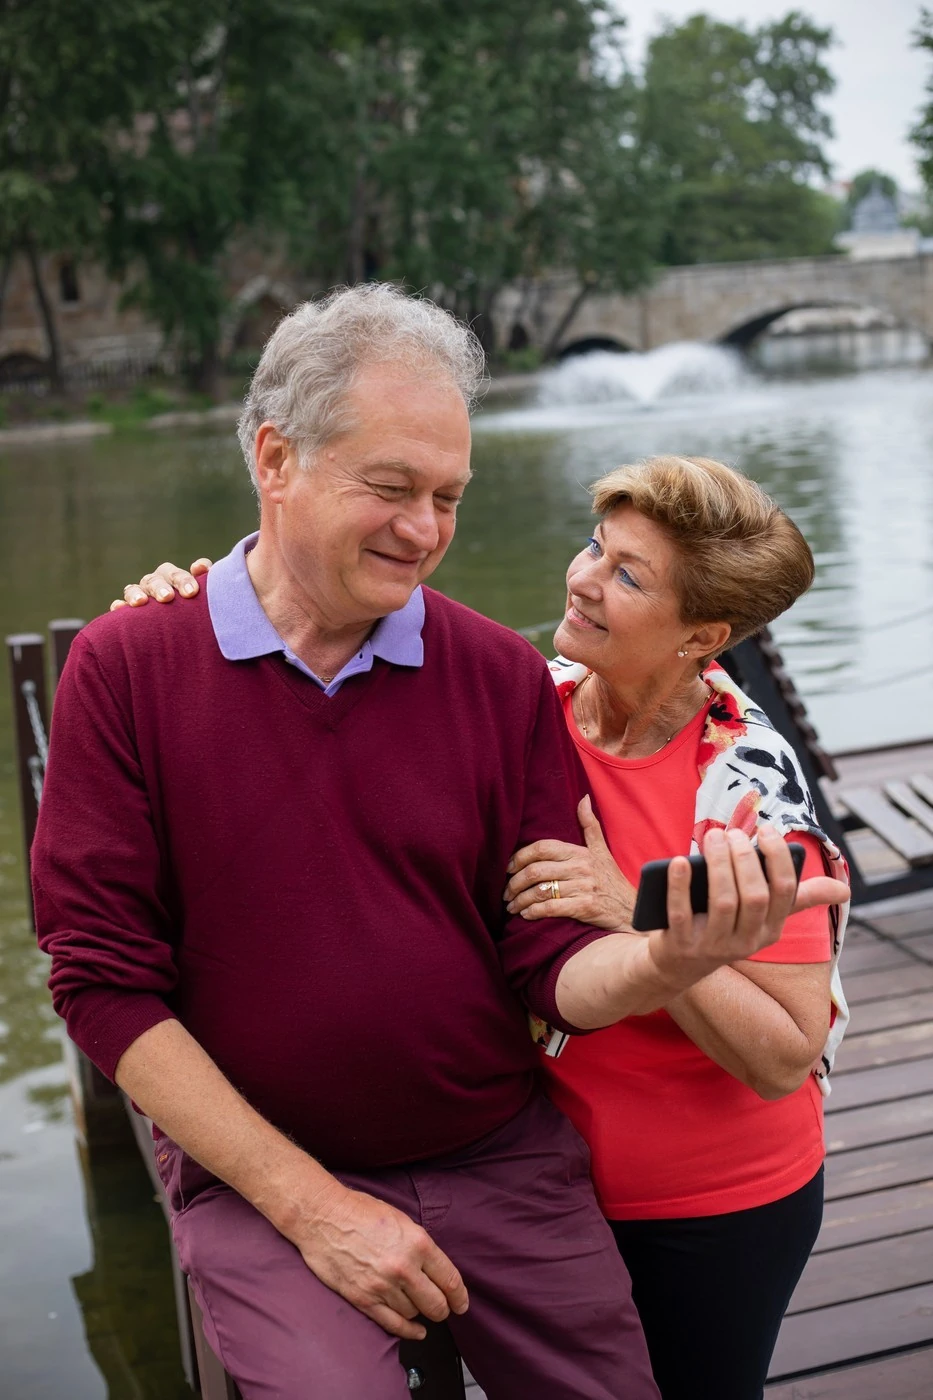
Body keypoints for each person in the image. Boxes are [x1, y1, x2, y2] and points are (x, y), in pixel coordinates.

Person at [47, 285, 846, 1400]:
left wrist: (670, 949)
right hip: (271, 1173)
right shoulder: (130, 666)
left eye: (449, 496)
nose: (424, 528)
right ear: (275, 459)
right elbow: (100, 981)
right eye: (390, 486)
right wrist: (312, 1207)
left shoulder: (509, 680)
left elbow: (549, 958)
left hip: (517, 1154)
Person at [501, 456, 850, 1400]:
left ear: (703, 635)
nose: (582, 578)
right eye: (594, 548)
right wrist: (196, 598)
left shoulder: (749, 796)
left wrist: (635, 914)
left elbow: (785, 1054)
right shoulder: (525, 704)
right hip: (538, 1183)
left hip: (713, 1207)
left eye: (626, 575)